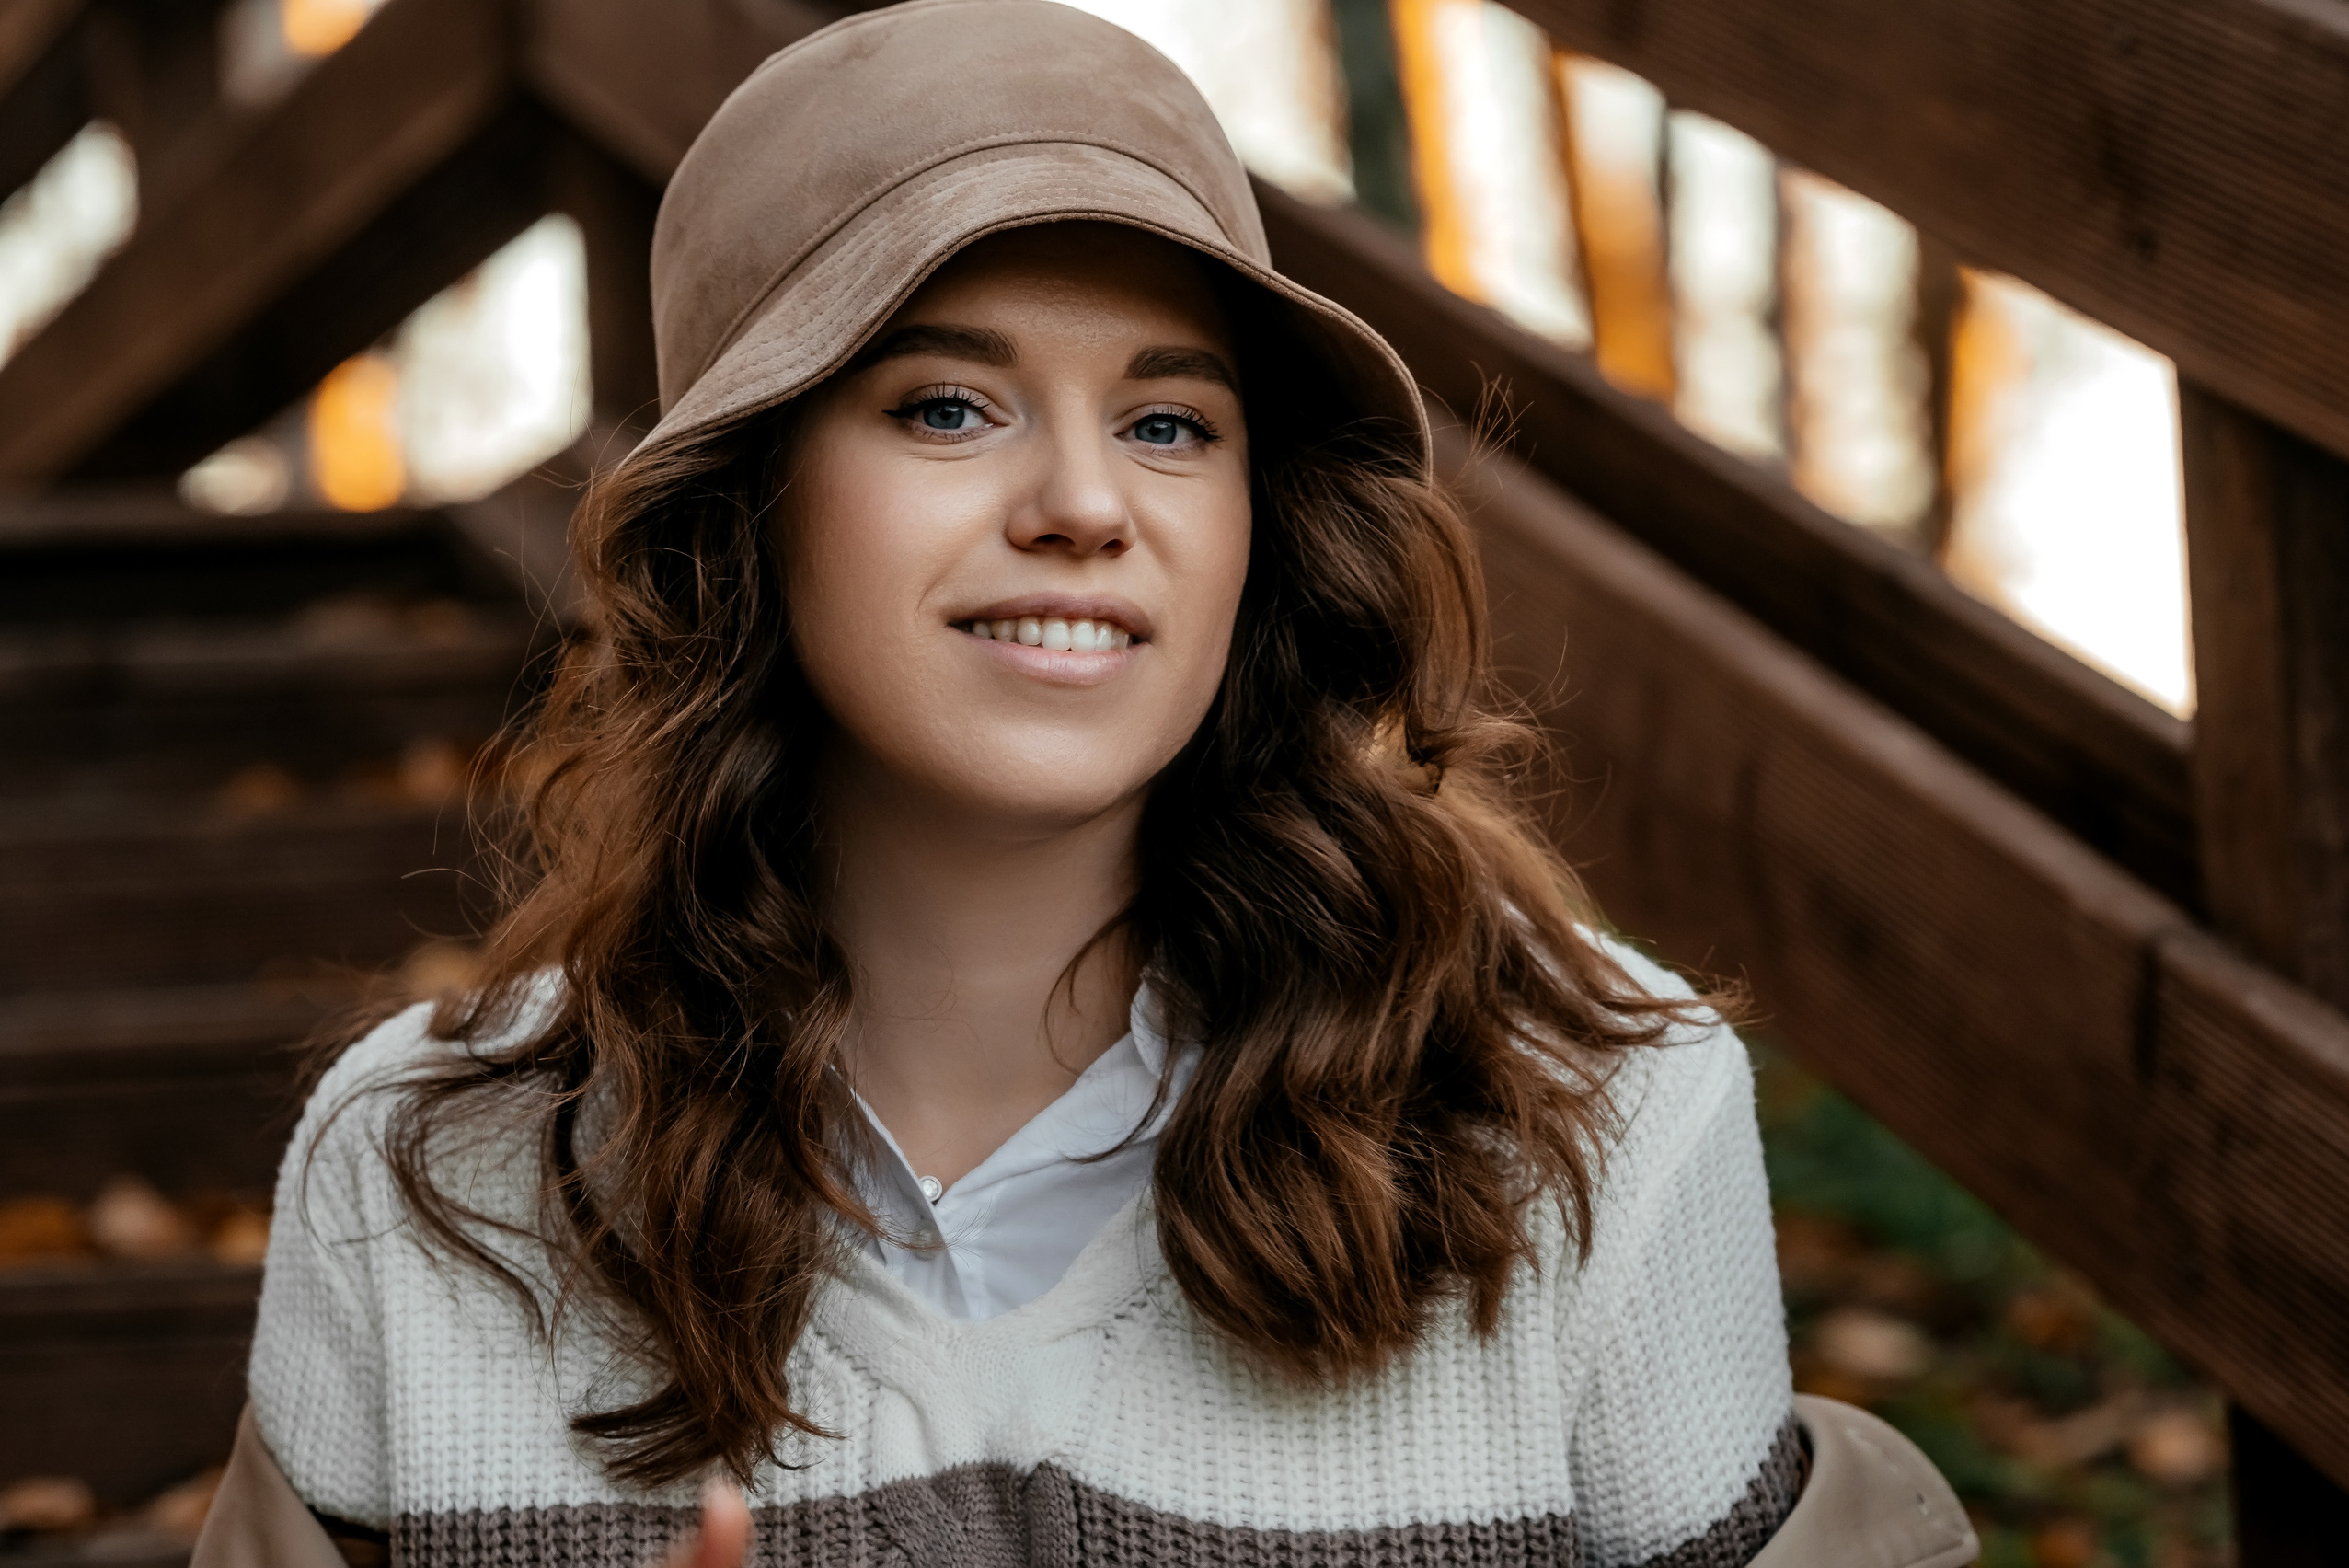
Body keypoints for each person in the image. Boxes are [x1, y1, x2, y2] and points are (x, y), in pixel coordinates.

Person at [193, 4, 1975, 1565]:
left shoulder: (1586, 1113)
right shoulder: (426, 1168)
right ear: (743, 508)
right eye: (945, 408)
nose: (1081, 504)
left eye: (1168, 423)